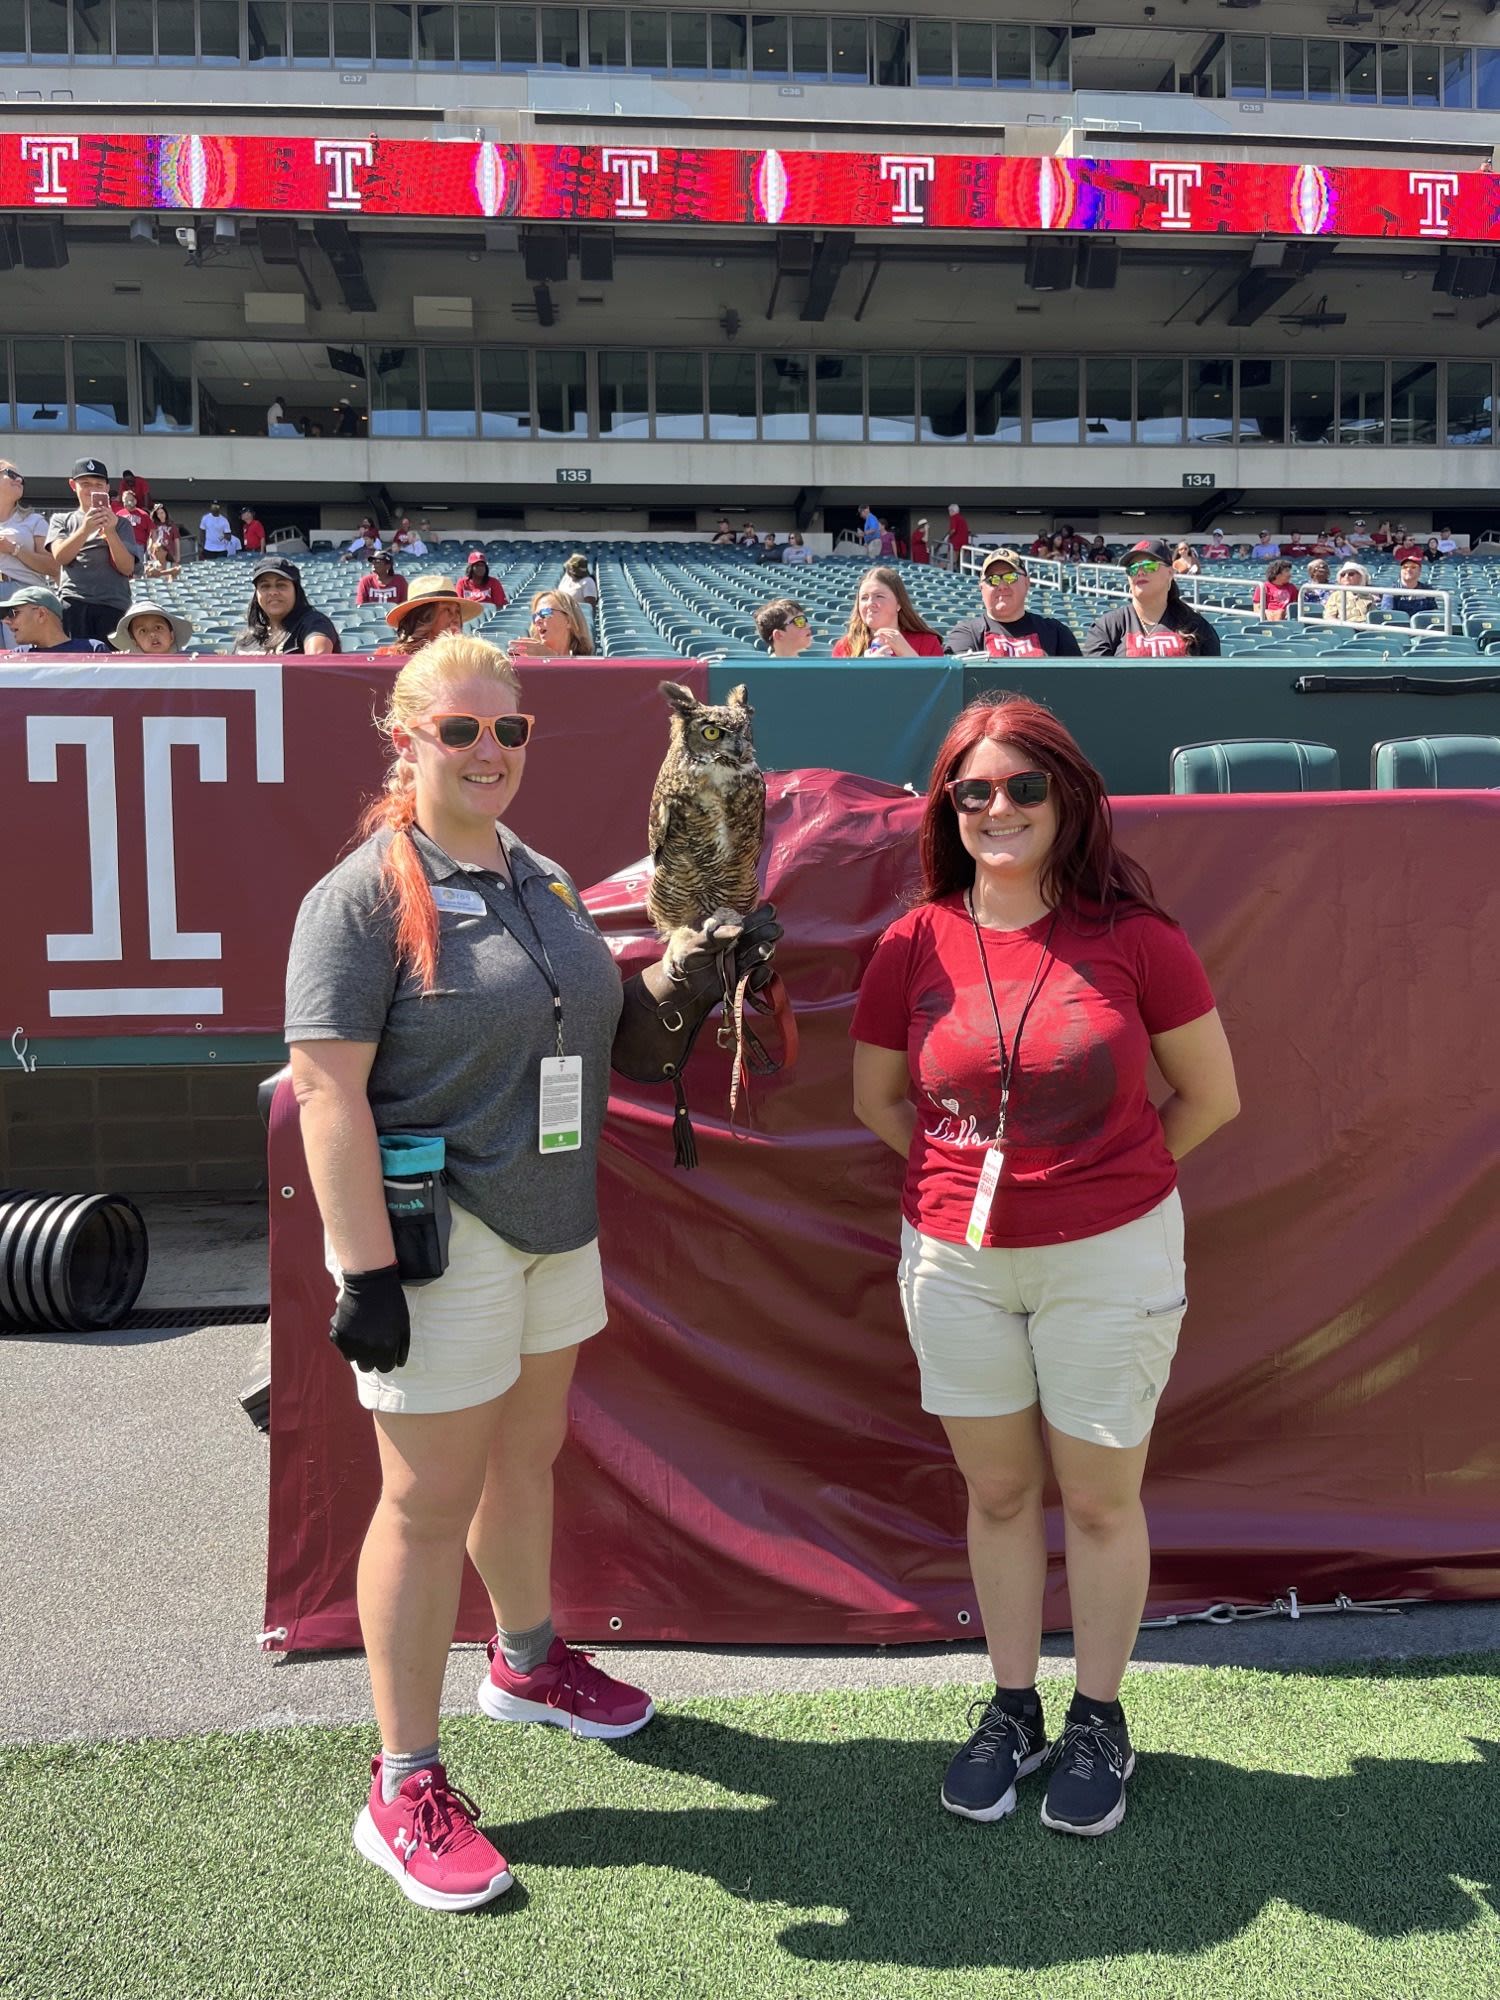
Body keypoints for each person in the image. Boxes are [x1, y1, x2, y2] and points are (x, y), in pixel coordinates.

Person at [283, 631, 778, 1911]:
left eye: (510, 730)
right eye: (461, 730)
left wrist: (697, 964)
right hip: (435, 1237)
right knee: (424, 1500)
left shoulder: (544, 876)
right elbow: (328, 1091)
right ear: (405, 738)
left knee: (526, 1457)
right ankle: (402, 1781)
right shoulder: (359, 893)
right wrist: (364, 1268)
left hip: (554, 1219)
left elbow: (613, 1030)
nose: (490, 750)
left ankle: (527, 1662)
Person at [851, 693, 1237, 1839]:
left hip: (1111, 1259)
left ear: (1067, 797)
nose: (1001, 807)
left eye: (1025, 786)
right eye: (976, 790)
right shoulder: (910, 942)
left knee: (1103, 1500)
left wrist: (1100, 1183)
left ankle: (1100, 1716)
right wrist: (973, 1183)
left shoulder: (1137, 939)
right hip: (956, 1261)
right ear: (949, 808)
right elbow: (879, 1102)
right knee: (1002, 1491)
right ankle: (1013, 1705)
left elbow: (1213, 1097)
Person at [47, 456, 141, 645]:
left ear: (107, 489)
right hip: (74, 603)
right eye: (85, 484)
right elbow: (61, 556)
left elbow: (126, 568)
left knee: (112, 668)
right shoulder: (61, 520)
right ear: (73, 485)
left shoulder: (121, 524)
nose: (92, 490)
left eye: (98, 484)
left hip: (114, 604)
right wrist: (85, 529)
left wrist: (110, 531)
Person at [1082, 540, 1221, 658]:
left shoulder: (1197, 627)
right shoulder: (1107, 627)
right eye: (1133, 569)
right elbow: (1096, 684)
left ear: (1170, 573)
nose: (1140, 572)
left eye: (1149, 566)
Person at [944, 549, 1082, 659]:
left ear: (1027, 583)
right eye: (993, 580)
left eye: (1011, 577)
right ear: (981, 588)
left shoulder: (1056, 632)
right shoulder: (967, 634)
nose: (1002, 586)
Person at [234, 556, 341, 655]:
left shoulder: (315, 624)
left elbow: (316, 665)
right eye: (265, 586)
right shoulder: (248, 639)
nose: (273, 592)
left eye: (281, 585)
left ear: (296, 590)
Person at [833, 567, 944, 658]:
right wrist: (865, 668)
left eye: (879, 596)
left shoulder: (927, 642)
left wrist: (908, 655)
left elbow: (936, 684)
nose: (870, 603)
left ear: (899, 603)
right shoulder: (845, 646)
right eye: (864, 598)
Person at [0, 465, 60, 628]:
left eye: (21, 479)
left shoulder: (34, 521)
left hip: (23, 596)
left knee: (20, 653)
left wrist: (14, 549)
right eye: (11, 474)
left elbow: (54, 567)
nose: (19, 480)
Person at [381, 575, 484, 657]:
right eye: (446, 610)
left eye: (457, 611)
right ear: (423, 618)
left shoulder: (471, 657)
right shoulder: (394, 659)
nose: (455, 618)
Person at [3, 584, 108, 652]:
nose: (6, 621)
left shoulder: (93, 649)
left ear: (41, 614)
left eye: (13, 613)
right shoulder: (17, 656)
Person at [507, 590, 594, 662]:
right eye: (535, 616)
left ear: (569, 620)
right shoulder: (526, 663)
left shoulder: (588, 665)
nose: (537, 620)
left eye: (545, 613)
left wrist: (550, 658)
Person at [108, 601, 194, 654]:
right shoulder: (129, 668)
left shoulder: (191, 664)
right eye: (143, 631)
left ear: (171, 636)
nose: (152, 634)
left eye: (158, 627)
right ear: (135, 642)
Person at [556, 553, 598, 628]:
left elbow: (590, 608)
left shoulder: (588, 582)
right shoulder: (566, 578)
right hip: (562, 617)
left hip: (578, 622)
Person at [144, 504, 182, 581]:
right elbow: (152, 540)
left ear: (166, 513)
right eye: (158, 513)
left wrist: (177, 556)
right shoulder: (154, 526)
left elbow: (176, 541)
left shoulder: (172, 526)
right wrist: (151, 552)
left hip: (169, 554)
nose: (160, 515)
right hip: (157, 553)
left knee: (170, 574)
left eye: (162, 513)